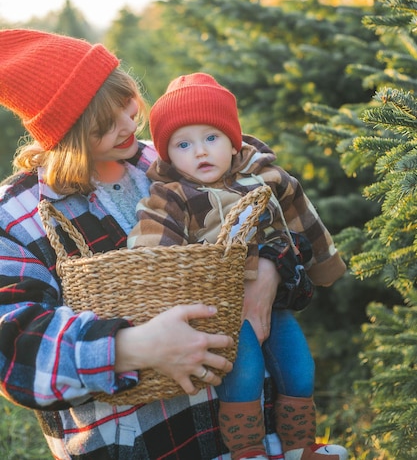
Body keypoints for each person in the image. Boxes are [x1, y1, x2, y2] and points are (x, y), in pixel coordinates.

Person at [0, 29, 285, 460]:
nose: (130, 124)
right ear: (65, 135)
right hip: (146, 446)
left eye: (127, 102)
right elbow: (14, 347)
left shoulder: (176, 161)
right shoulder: (18, 214)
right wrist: (133, 348)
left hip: (252, 437)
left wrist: (267, 268)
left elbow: (273, 213)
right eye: (103, 124)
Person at [127, 73, 349, 460]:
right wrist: (154, 285)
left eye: (211, 137)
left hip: (275, 298)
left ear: (233, 140)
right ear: (168, 155)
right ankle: (247, 451)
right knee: (243, 375)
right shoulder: (172, 196)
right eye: (183, 144)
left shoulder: (266, 176)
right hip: (222, 308)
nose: (200, 152)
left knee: (299, 367)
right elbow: (152, 246)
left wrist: (324, 264)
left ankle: (300, 446)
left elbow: (303, 218)